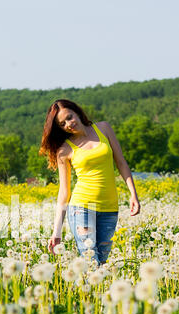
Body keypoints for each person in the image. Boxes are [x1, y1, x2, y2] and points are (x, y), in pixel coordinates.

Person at [39, 99, 140, 266]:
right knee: (91, 262)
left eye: (69, 117)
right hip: (81, 208)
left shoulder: (104, 128)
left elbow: (121, 162)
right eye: (63, 124)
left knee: (103, 263)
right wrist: (56, 231)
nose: (69, 124)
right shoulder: (64, 150)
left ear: (77, 112)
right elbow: (64, 192)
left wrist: (133, 195)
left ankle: (90, 292)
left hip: (110, 208)